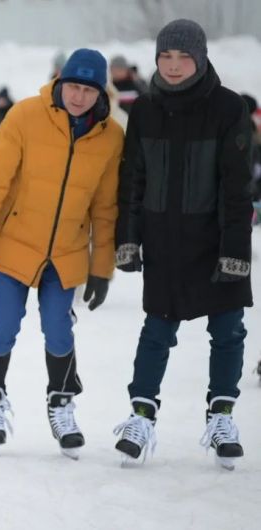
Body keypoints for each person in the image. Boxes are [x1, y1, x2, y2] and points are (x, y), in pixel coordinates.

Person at [0, 49, 123, 458]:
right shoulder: (25, 116)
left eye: (88, 90)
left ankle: (62, 403)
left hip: (65, 253)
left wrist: (102, 269)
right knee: (5, 325)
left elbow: (105, 207)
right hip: (13, 244)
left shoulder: (112, 137)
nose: (78, 97)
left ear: (100, 93)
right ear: (59, 83)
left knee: (60, 330)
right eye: (72, 87)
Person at [113, 19, 253, 468]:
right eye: (165, 57)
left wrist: (235, 250)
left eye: (183, 57)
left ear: (200, 58)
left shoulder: (229, 109)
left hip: (215, 243)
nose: (173, 66)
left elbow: (238, 188)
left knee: (228, 332)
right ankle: (141, 416)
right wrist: (128, 238)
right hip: (165, 241)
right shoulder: (145, 110)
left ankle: (221, 416)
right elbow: (132, 180)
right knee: (156, 332)